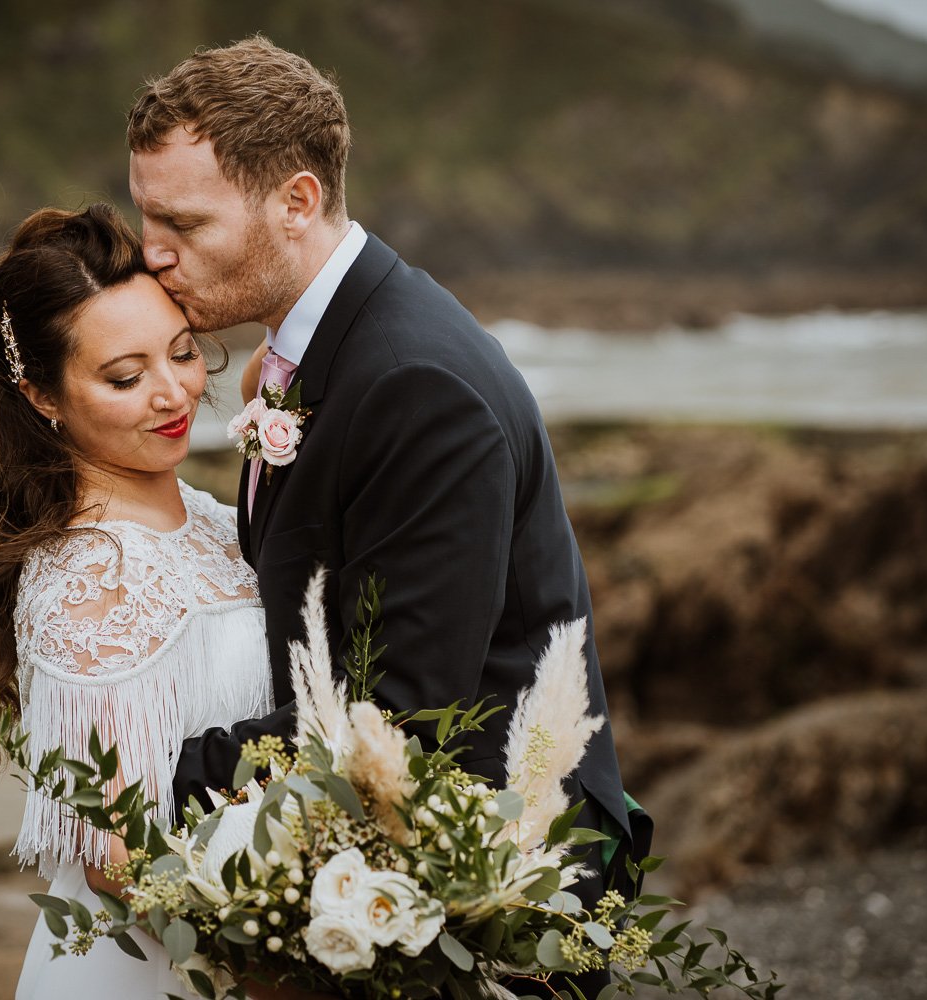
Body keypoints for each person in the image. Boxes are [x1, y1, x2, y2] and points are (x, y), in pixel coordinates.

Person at [128, 36, 650, 999]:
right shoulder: (309, 352)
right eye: (145, 214)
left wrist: (154, 771)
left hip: (491, 884)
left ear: (296, 200)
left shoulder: (413, 383)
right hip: (383, 860)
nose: (150, 251)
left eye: (182, 222)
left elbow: (405, 718)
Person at [0, 203, 274, 998]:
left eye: (184, 353)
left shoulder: (211, 518)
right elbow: (115, 859)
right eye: (125, 378)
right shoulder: (82, 579)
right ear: (42, 396)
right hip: (170, 968)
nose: (173, 394)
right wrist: (288, 960)